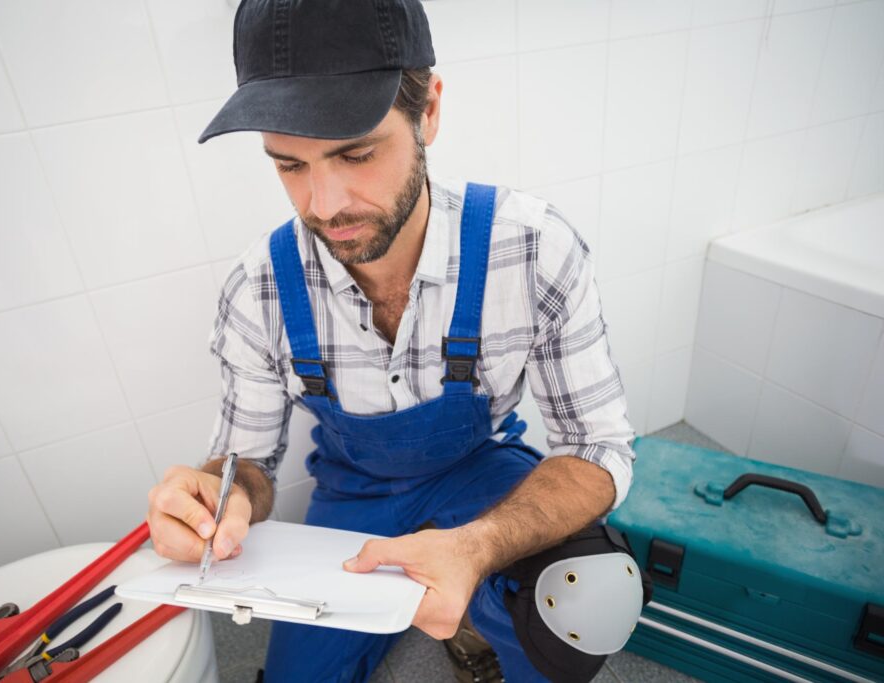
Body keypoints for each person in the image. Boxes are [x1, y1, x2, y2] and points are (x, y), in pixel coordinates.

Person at [146, 1, 636, 681]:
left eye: (356, 154)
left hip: (481, 474)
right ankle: (439, 606)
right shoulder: (257, 289)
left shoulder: (531, 251)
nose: (323, 204)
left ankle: (476, 613)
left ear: (428, 109)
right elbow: (249, 463)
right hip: (355, 497)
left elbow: (598, 447)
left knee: (586, 603)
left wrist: (477, 546)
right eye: (289, 164)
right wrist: (219, 492)